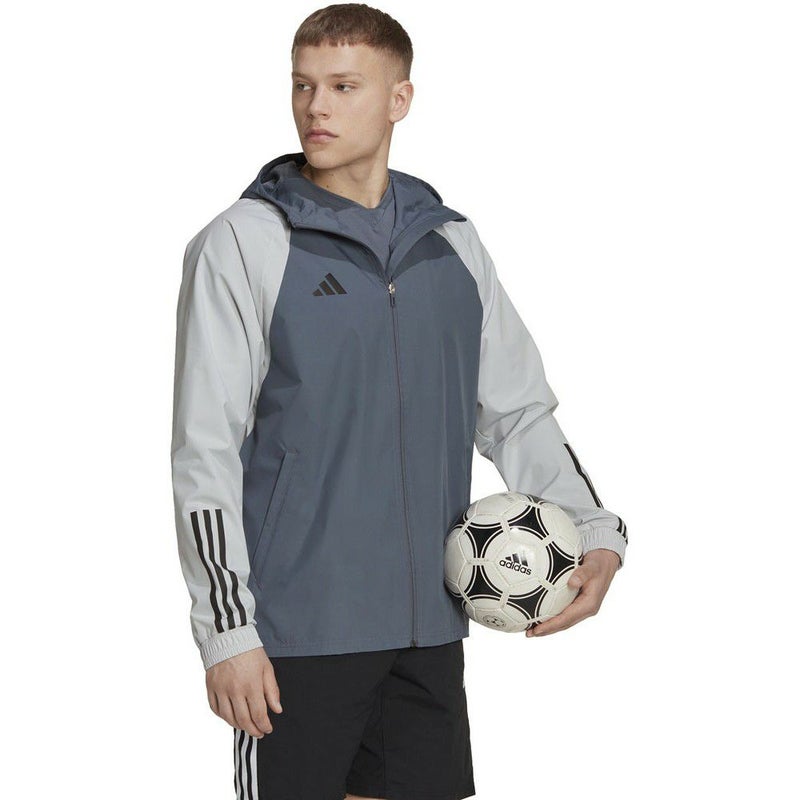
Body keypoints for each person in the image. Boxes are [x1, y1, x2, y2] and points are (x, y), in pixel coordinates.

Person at [170, 4, 628, 799]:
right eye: (304, 85)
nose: (316, 106)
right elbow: (204, 448)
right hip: (295, 635)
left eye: (344, 86)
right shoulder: (244, 243)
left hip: (428, 627)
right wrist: (227, 631)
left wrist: (594, 530)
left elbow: (517, 412)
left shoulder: (450, 244)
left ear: (399, 99)